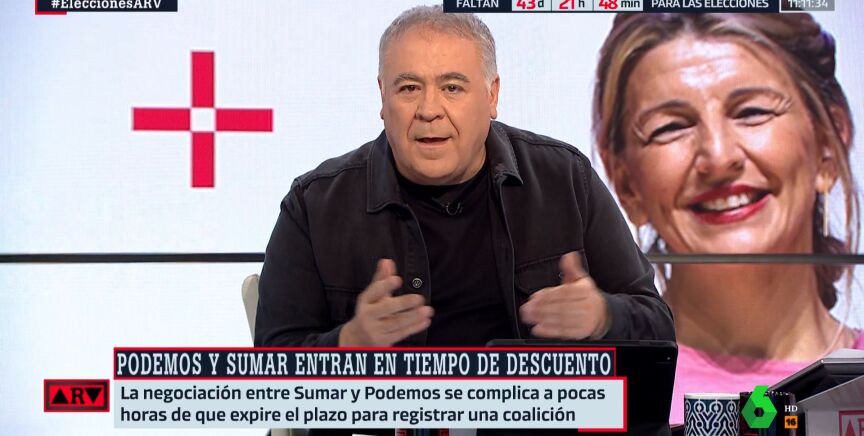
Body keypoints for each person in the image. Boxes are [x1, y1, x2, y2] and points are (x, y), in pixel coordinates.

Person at [255, 5, 674, 433]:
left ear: (492, 96)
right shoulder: (314, 204)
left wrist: (603, 317)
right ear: (382, 97)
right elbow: (270, 380)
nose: (429, 110)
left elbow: (658, 328)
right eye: (409, 88)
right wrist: (350, 345)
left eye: (452, 87)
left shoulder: (564, 178)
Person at [593, 13, 863, 424]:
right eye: (670, 127)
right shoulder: (584, 393)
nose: (718, 158)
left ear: (829, 142)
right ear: (625, 181)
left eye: (752, 111)